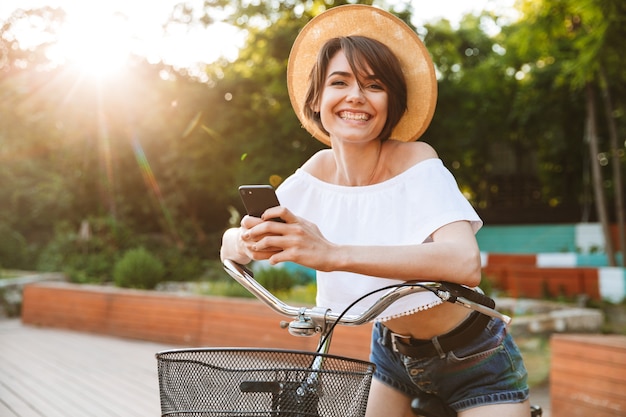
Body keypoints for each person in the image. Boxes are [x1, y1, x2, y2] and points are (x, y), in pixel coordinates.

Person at [220, 5, 530, 417]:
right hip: (391, 352)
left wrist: (333, 253)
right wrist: (248, 239)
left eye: (373, 85)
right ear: (317, 98)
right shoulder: (313, 174)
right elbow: (229, 245)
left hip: (474, 355)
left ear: (391, 102)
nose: (355, 96)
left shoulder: (416, 160)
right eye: (339, 82)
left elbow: (464, 261)